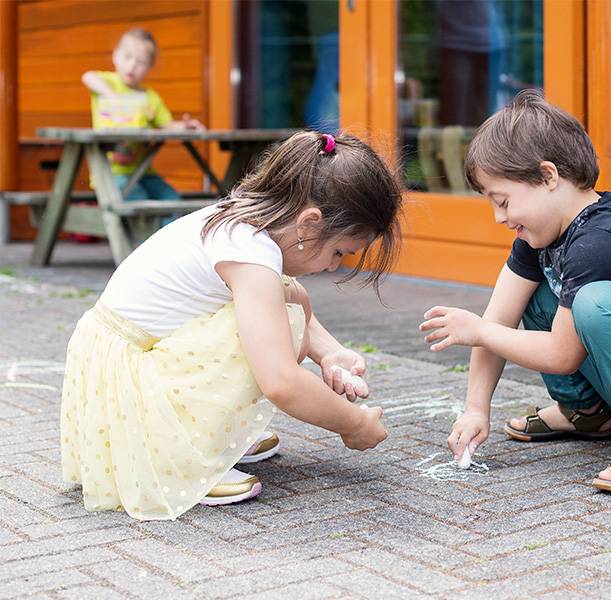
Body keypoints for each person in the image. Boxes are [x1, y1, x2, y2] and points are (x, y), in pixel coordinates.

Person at [61, 132, 403, 520]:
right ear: (309, 224)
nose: (336, 264)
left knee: (289, 301)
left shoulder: (248, 224)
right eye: (340, 250)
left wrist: (330, 353)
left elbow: (294, 299)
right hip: (130, 379)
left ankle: (207, 436)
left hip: (122, 359)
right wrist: (353, 423)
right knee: (278, 329)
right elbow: (281, 382)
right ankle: (179, 458)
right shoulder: (251, 255)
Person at [419, 90, 611, 496]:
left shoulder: (600, 241)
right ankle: (584, 410)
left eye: (503, 201)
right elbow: (499, 319)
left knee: (595, 301)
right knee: (536, 296)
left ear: (548, 176)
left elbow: (559, 353)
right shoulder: (540, 239)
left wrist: (477, 331)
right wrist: (476, 408)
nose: (499, 218)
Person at [81, 28, 204, 201]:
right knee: (141, 201)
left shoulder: (149, 97)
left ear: (149, 67)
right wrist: (113, 97)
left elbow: (165, 125)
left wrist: (186, 126)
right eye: (127, 57)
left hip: (144, 171)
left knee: (172, 200)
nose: (132, 65)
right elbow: (88, 77)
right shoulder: (109, 83)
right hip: (110, 173)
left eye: (140, 62)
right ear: (116, 56)